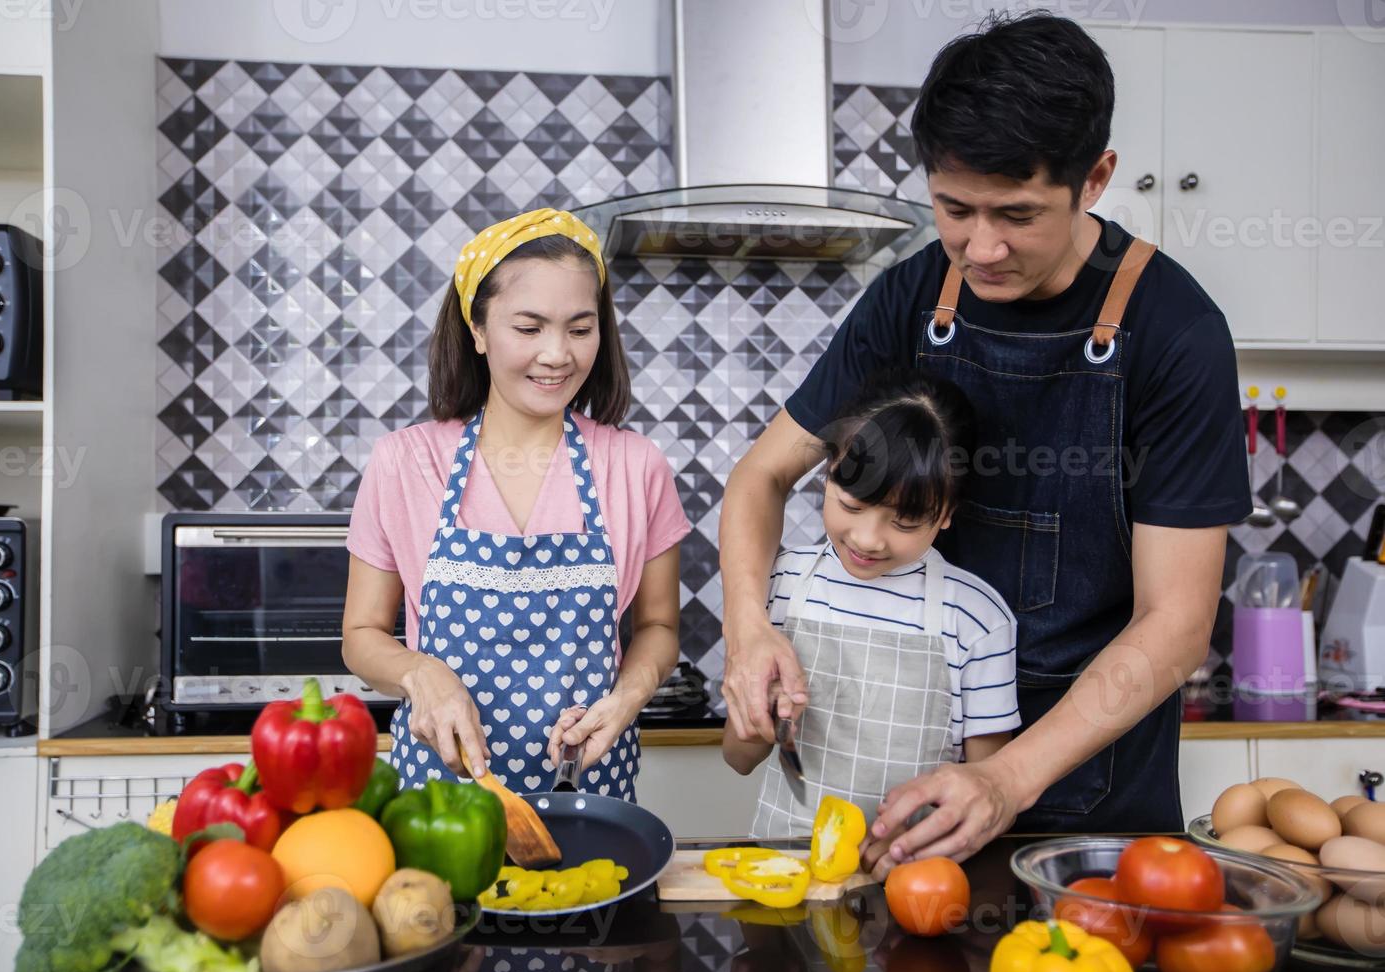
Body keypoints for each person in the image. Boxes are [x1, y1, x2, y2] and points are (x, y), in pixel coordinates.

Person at [718, 12, 1249, 875]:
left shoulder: (1174, 332)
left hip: (1091, 794)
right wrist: (749, 630)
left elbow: (1178, 623)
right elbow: (760, 477)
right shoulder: (912, 295)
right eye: (953, 209)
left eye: (1017, 214)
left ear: (1096, 178)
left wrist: (1007, 776)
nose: (982, 246)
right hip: (910, 784)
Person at [343, 207, 691, 802]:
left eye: (580, 330)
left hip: (589, 791)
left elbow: (658, 626)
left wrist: (629, 696)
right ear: (477, 330)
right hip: (440, 800)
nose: (557, 354)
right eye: (529, 328)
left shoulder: (636, 468)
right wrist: (421, 673)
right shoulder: (405, 463)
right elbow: (361, 633)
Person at [722, 369, 1020, 837]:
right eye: (852, 504)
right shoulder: (781, 580)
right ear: (827, 475)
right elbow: (737, 760)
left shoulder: (977, 618)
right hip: (786, 869)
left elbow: (987, 796)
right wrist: (764, 722)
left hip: (916, 880)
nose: (867, 539)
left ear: (945, 514)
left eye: (904, 522)